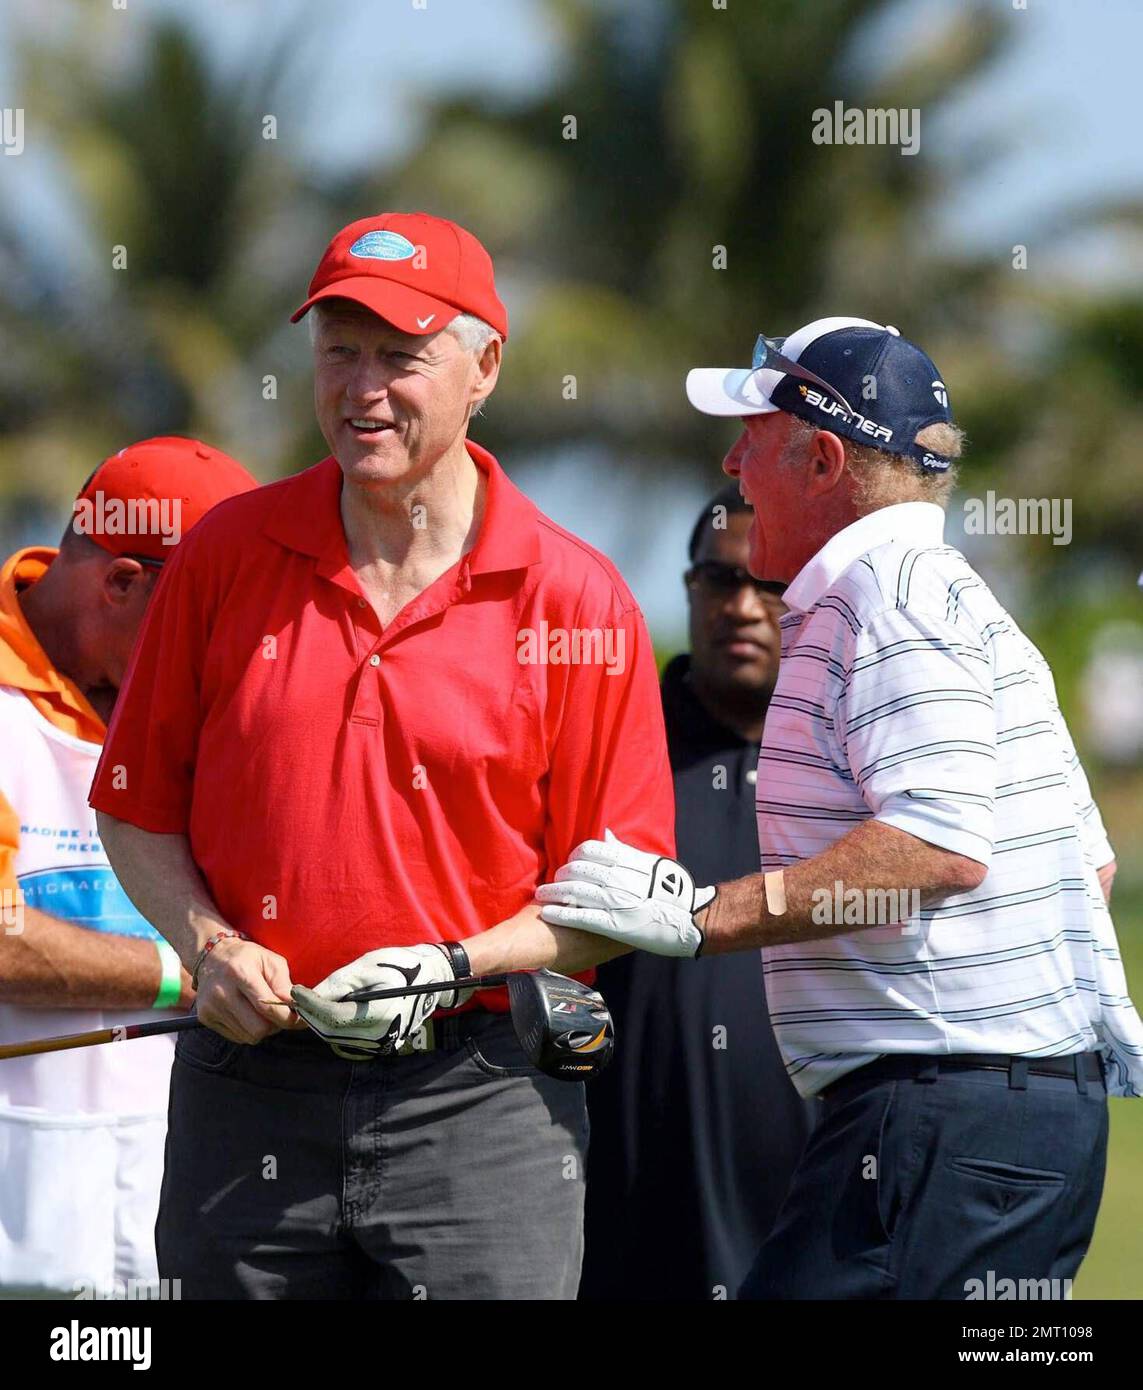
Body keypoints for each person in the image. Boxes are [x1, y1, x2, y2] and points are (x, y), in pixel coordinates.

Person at [91, 212, 674, 1301]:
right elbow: (135, 807)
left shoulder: (576, 597)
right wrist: (209, 942)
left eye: (401, 356)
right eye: (338, 351)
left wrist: (455, 963)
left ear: (484, 366)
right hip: (246, 1088)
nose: (363, 388)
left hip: (483, 1098)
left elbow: (622, 901)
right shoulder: (224, 555)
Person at [538, 317, 1143, 1300]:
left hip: (942, 1119)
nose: (733, 466)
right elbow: (1091, 865)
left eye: (751, 438)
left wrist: (699, 917)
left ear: (821, 458)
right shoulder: (957, 598)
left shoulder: (883, 596)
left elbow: (939, 846)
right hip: (997, 1121)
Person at [0, 437, 258, 1297]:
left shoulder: (198, 714)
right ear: (120, 583)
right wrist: (190, 974)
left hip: (172, 1240)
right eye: (202, 621)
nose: (215, 655)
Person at [580, 478, 813, 1300]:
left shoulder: (847, 761)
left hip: (810, 1204)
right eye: (719, 580)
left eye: (769, 585)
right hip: (626, 1207)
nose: (742, 607)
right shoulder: (616, 738)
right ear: (687, 588)